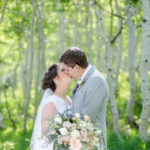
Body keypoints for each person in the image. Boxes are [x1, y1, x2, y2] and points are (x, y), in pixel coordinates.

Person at [59, 47, 109, 146]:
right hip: (81, 141)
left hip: (92, 141)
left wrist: (64, 127)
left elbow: (87, 116)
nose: (67, 73)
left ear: (76, 67)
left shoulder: (96, 80)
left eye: (68, 70)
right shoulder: (85, 79)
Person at [30, 64, 72, 150]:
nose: (67, 71)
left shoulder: (69, 99)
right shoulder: (52, 102)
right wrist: (67, 137)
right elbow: (45, 134)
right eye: (63, 70)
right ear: (56, 79)